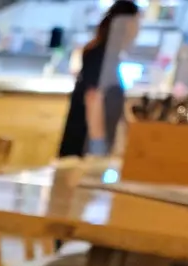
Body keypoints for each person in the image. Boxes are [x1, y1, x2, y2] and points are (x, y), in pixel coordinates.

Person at [58, 0, 141, 157]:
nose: (137, 31)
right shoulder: (100, 55)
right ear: (126, 24)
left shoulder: (110, 56)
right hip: (83, 147)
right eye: (137, 24)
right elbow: (93, 98)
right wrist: (98, 145)